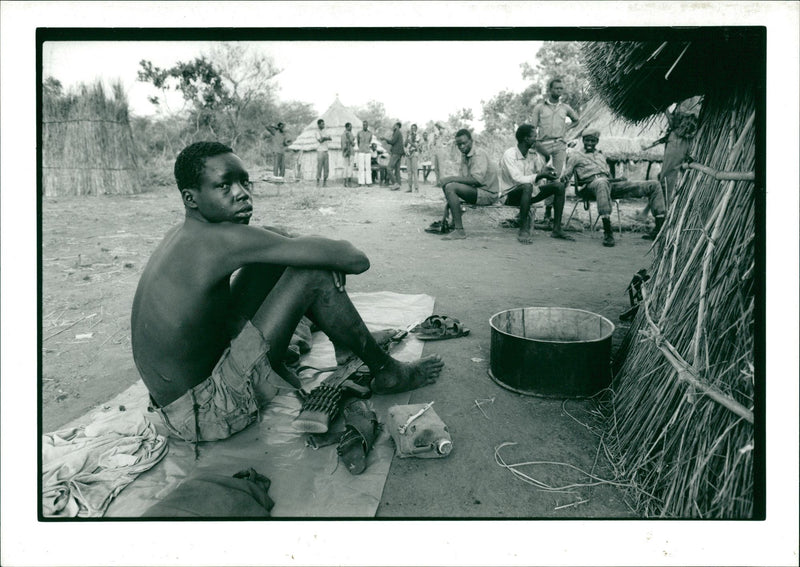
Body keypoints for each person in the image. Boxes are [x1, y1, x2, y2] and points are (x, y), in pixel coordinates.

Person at [131, 141, 444, 444]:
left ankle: (342, 344)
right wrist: (324, 257)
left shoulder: (186, 232)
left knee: (280, 251)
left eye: (244, 181)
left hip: (177, 405)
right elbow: (356, 259)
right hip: (206, 411)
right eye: (224, 186)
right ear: (191, 198)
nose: (242, 194)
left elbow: (278, 239)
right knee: (311, 272)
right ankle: (387, 372)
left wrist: (310, 250)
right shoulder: (219, 242)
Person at [561, 129, 666, 247]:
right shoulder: (575, 156)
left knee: (654, 185)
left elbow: (608, 176)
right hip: (589, 187)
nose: (590, 143)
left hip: (608, 185)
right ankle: (608, 231)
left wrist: (618, 180)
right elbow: (567, 173)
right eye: (587, 140)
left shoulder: (601, 155)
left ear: (597, 141)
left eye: (593, 141)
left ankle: (659, 228)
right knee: (601, 182)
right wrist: (563, 178)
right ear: (583, 140)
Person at [499, 124, 575, 244]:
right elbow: (517, 179)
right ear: (526, 138)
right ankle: (523, 230)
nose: (537, 139)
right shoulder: (510, 154)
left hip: (528, 194)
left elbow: (537, 178)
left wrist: (546, 172)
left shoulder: (532, 155)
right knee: (527, 186)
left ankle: (557, 229)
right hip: (509, 195)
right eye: (535, 136)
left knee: (559, 186)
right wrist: (540, 175)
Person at [531, 78, 580, 223]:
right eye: (557, 88)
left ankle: (549, 212)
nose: (559, 91)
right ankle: (529, 209)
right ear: (550, 89)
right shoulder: (539, 107)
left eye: (561, 89)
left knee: (556, 178)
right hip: (542, 144)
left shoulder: (565, 107)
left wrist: (566, 128)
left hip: (559, 144)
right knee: (540, 176)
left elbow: (576, 119)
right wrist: (535, 144)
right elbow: (533, 127)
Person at [435, 129, 499, 241]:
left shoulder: (478, 154)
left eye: (464, 143)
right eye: (459, 144)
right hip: (477, 191)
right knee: (448, 185)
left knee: (451, 186)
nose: (461, 147)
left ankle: (459, 230)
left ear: (471, 141)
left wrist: (451, 178)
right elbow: (463, 179)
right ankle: (454, 221)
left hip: (488, 194)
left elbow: (476, 180)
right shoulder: (465, 155)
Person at [381, 122, 404, 190]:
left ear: (397, 126)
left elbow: (392, 141)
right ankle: (399, 183)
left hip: (396, 153)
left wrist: (385, 139)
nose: (393, 126)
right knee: (397, 169)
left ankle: (395, 183)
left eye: (394, 125)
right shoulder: (399, 133)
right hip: (399, 153)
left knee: (389, 168)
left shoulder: (397, 132)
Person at [404, 123, 421, 193]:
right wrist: (406, 138)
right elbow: (405, 144)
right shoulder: (409, 135)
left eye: (414, 128)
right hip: (408, 154)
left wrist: (410, 142)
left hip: (414, 153)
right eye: (412, 128)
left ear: (416, 129)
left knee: (414, 171)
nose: (413, 129)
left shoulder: (417, 136)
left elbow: (416, 146)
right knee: (409, 172)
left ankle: (416, 188)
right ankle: (409, 187)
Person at [356, 120, 374, 186]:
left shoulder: (370, 133)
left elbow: (369, 141)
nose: (365, 126)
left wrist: (366, 147)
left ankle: (369, 182)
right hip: (361, 151)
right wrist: (361, 147)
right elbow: (358, 142)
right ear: (362, 125)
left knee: (368, 167)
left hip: (367, 152)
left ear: (367, 125)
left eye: (366, 125)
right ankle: (361, 182)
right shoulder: (359, 133)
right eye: (363, 125)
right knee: (361, 167)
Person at [315, 119, 332, 187]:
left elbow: (330, 138)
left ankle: (325, 183)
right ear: (318, 125)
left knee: (326, 168)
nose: (323, 125)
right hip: (320, 151)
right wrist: (325, 138)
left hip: (325, 151)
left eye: (323, 124)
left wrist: (324, 138)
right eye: (322, 124)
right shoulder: (317, 132)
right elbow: (320, 140)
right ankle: (318, 182)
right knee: (319, 167)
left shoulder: (325, 131)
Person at [340, 122, 356, 188]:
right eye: (350, 127)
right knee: (349, 167)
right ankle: (348, 182)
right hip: (349, 152)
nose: (351, 128)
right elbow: (351, 143)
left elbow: (343, 144)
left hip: (347, 152)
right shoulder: (347, 134)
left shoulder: (345, 134)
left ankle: (346, 182)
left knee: (346, 167)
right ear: (347, 127)